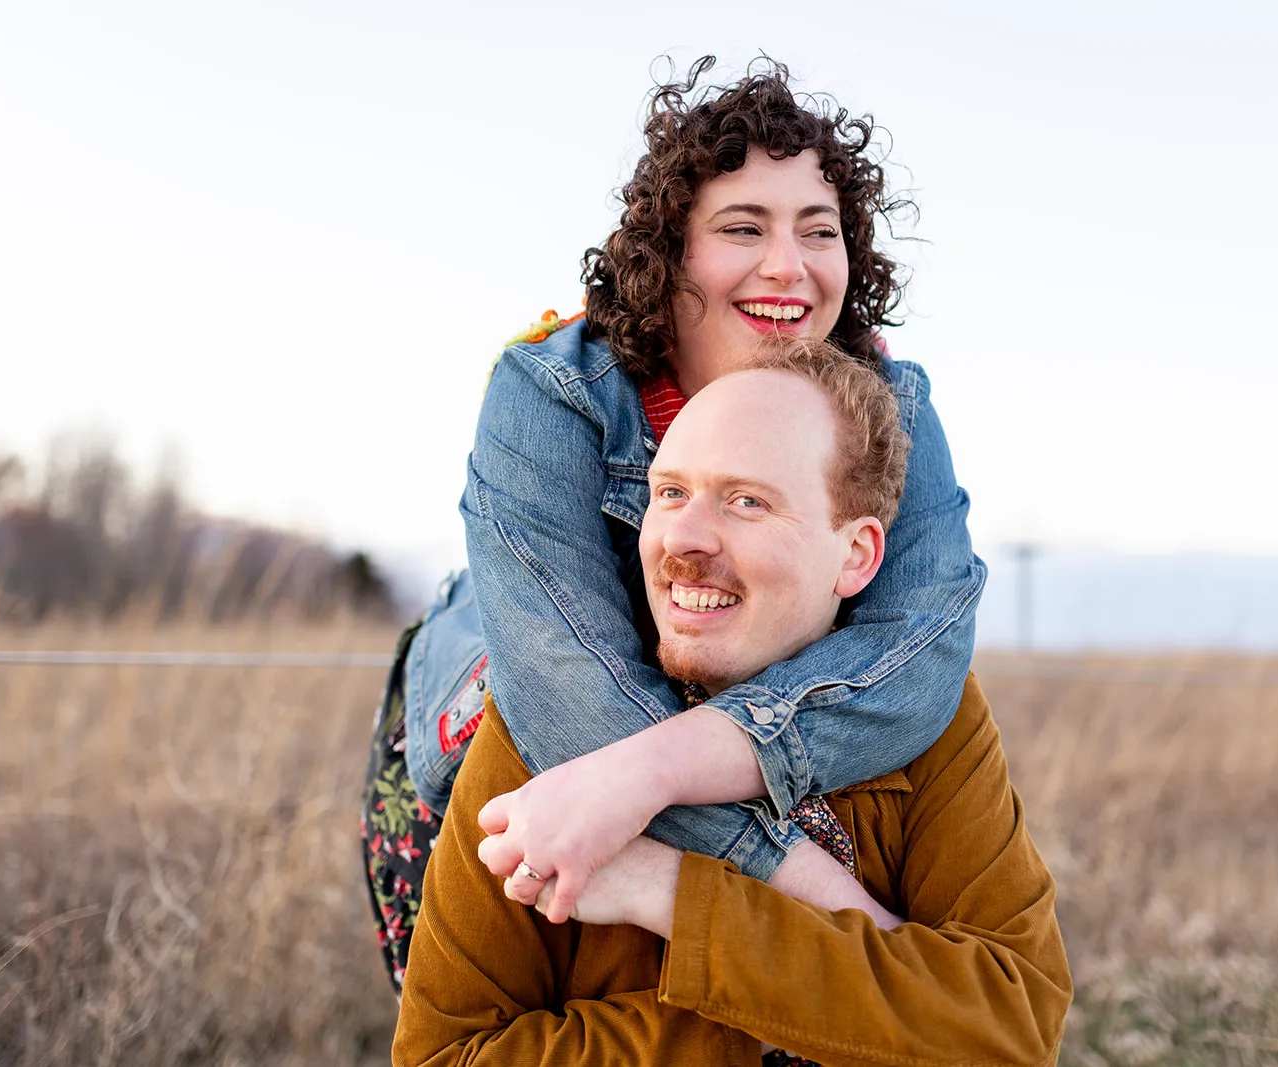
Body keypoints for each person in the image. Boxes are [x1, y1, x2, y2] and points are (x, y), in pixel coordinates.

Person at [362, 56, 986, 987]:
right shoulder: (555, 391)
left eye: (821, 232)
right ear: (671, 253)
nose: (790, 266)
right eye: (743, 228)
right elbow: (575, 695)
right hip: (507, 703)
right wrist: (806, 881)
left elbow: (923, 646)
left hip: (714, 729)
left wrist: (660, 773)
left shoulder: (888, 402)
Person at [392, 340, 1071, 1066]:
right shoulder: (548, 731)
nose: (681, 537)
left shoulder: (932, 721)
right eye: (669, 492)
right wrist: (847, 999)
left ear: (857, 555)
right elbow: (442, 1054)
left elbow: (1013, 1027)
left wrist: (670, 893)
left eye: (747, 501)